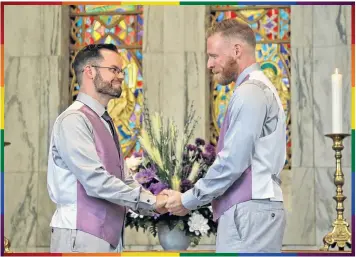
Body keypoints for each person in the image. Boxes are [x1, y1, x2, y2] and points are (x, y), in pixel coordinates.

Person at [164, 19, 287, 253]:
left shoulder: (250, 92)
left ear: (236, 51)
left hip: (251, 211)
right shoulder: (256, 88)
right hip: (252, 209)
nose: (209, 64)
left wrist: (188, 200)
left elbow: (232, 162)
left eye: (214, 55)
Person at [47, 44, 167, 253]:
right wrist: (151, 201)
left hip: (105, 236)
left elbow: (123, 177)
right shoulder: (74, 119)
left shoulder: (103, 120)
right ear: (90, 72)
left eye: (121, 71)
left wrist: (157, 202)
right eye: (114, 69)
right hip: (80, 235)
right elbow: (96, 181)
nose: (121, 76)